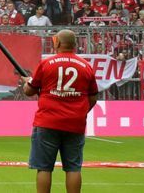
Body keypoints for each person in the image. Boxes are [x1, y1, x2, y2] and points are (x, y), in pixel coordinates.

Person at [22, 29, 98, 193]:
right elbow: (93, 97)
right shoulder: (86, 66)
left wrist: (26, 82)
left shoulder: (47, 63)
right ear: (75, 45)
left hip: (47, 122)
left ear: (56, 42)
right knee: (73, 168)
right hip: (75, 124)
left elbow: (30, 90)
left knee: (44, 168)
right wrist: (81, 112)